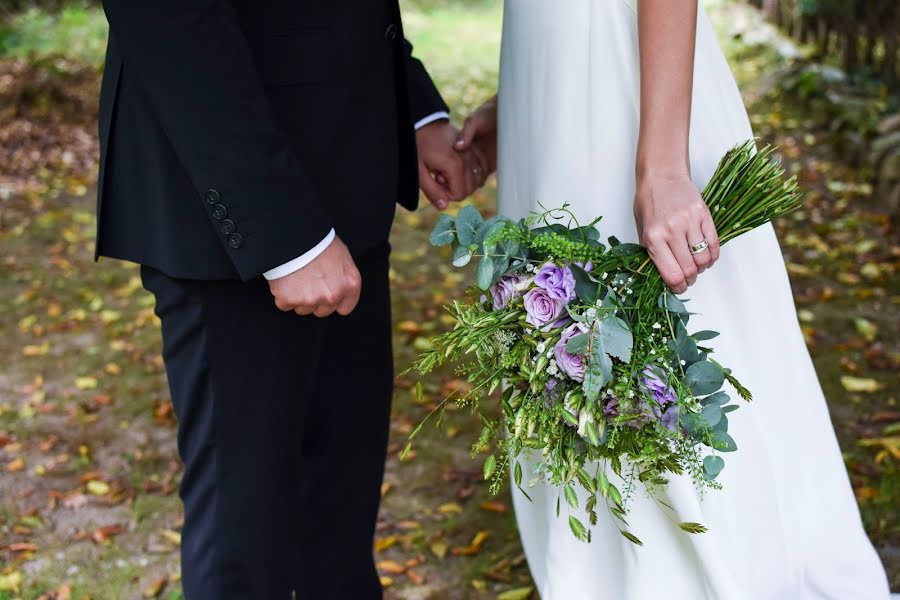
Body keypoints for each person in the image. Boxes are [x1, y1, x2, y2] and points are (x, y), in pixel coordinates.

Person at [456, 1, 892, 597]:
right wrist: (520, 100)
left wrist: (662, 166)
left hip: (623, 85)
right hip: (559, 79)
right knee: (581, 353)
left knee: (656, 350)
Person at [94, 1, 486, 597]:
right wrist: (284, 236)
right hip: (236, 219)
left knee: (338, 528)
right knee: (246, 547)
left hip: (348, 180)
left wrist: (414, 109)